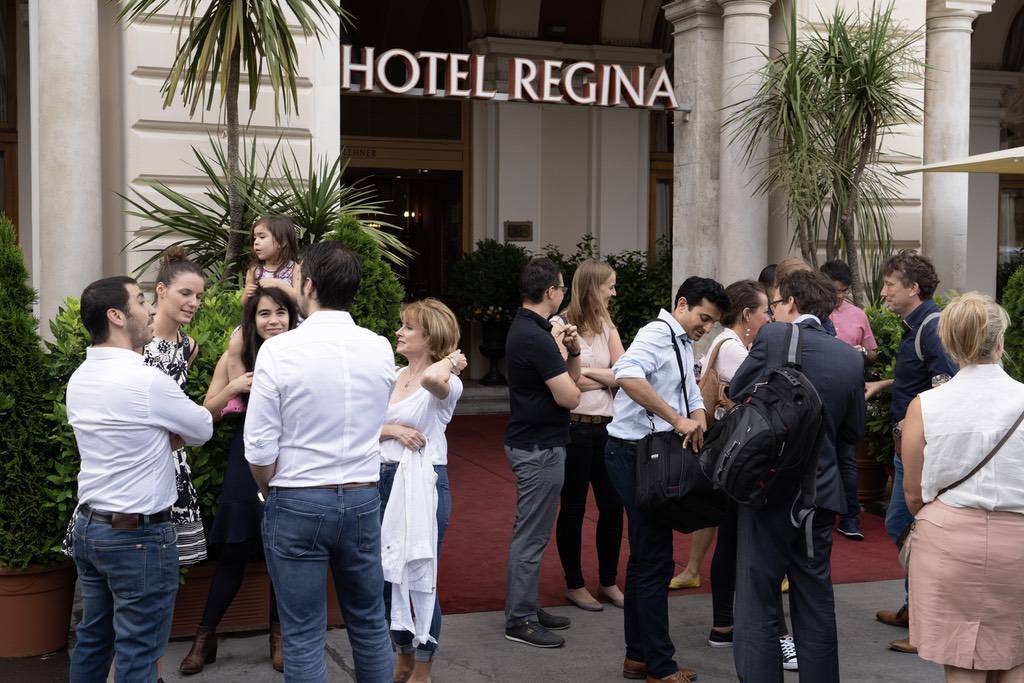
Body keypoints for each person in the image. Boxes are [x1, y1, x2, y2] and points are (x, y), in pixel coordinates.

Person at [244, 241, 396, 683]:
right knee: (369, 622)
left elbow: (259, 446)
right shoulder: (379, 347)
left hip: (298, 496)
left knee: (303, 633)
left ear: (308, 286)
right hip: (362, 495)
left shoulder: (280, 350)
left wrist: (270, 489)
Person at [68, 276, 213, 683]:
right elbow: (202, 427)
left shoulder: (80, 377)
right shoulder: (147, 380)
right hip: (138, 537)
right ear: (116, 316)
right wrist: (166, 433)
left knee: (93, 641)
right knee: (139, 652)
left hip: (90, 528)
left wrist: (159, 432)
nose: (150, 310)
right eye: (140, 301)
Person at [728, 269, 865, 683]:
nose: (773, 312)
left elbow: (737, 391)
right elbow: (853, 432)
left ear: (790, 302)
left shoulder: (772, 337)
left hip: (767, 487)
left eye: (775, 304)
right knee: (815, 597)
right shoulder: (849, 358)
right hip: (820, 492)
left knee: (757, 596)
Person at [605, 276, 729, 683]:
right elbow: (626, 374)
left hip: (646, 454)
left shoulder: (681, 339)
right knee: (654, 561)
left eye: (712, 322)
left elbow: (689, 389)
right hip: (634, 455)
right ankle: (659, 666)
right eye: (703, 318)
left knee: (647, 558)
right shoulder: (657, 334)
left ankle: (639, 657)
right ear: (682, 304)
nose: (706, 327)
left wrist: (697, 418)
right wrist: (677, 419)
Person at [902, 293, 1024, 683]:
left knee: (960, 660)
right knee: (1017, 653)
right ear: (1000, 340)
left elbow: (913, 492)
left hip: (948, 538)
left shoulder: (925, 405)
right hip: (1019, 540)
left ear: (950, 345)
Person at [179, 287, 299, 675]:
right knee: (233, 548)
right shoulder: (238, 355)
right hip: (246, 456)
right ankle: (205, 636)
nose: (274, 320)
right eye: (265, 314)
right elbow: (205, 414)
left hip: (293, 457)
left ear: (292, 317)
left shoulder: (303, 353)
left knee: (283, 550)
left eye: (281, 313)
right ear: (252, 320)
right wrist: (233, 386)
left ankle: (279, 637)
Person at [865, 250, 957, 654]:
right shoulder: (921, 325)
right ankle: (914, 608)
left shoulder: (931, 327)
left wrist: (913, 428)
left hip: (922, 448)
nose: (884, 292)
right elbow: (925, 376)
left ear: (913, 288)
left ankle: (923, 620)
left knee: (910, 527)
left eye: (890, 284)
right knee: (907, 527)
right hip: (914, 445)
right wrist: (887, 384)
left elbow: (946, 385)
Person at [378, 298, 467, 683]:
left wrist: (449, 360)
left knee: (420, 578)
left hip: (423, 483)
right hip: (380, 480)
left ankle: (423, 669)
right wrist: (392, 430)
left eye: (408, 327)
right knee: (386, 575)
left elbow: (431, 381)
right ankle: (402, 657)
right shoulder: (393, 375)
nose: (398, 332)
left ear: (430, 337)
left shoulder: (448, 381)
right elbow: (362, 426)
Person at [503, 257, 582, 648]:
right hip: (539, 446)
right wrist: (561, 353)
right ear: (550, 292)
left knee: (533, 533)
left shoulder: (529, 328)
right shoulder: (536, 336)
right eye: (562, 287)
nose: (563, 293)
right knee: (531, 536)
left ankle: (528, 607)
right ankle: (520, 618)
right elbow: (571, 396)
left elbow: (570, 380)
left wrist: (573, 351)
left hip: (535, 441)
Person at [671, 281, 770, 593]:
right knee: (732, 509)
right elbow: (763, 391)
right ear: (747, 314)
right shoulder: (734, 349)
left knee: (715, 504)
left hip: (721, 436)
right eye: (765, 311)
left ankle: (692, 569)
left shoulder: (726, 342)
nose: (769, 318)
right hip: (730, 440)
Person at [554, 259, 626, 613]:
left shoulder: (607, 325)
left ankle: (608, 581)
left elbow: (624, 373)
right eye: (609, 286)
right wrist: (604, 374)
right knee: (574, 506)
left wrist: (588, 373)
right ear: (593, 287)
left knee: (613, 505)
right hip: (575, 428)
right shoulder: (561, 325)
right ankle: (575, 584)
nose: (614, 292)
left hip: (608, 428)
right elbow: (565, 379)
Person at [144, 248, 209, 566]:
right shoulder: (136, 340)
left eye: (198, 296)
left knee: (169, 565)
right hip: (139, 461)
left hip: (175, 464)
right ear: (161, 290)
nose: (193, 303)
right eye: (185, 293)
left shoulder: (189, 346)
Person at [820, 259, 878, 542]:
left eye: (844, 290)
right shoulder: (813, 313)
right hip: (819, 396)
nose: (839, 296)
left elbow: (873, 352)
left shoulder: (857, 315)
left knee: (847, 457)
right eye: (835, 290)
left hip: (851, 395)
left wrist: (863, 353)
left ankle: (850, 517)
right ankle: (819, 514)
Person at [227, 215, 303, 380]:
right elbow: (245, 305)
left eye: (262, 237)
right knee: (235, 343)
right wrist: (247, 294)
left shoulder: (295, 268)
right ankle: (237, 386)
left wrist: (279, 284)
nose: (256, 242)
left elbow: (299, 299)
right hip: (258, 321)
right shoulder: (254, 270)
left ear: (282, 242)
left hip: (288, 321)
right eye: (255, 238)